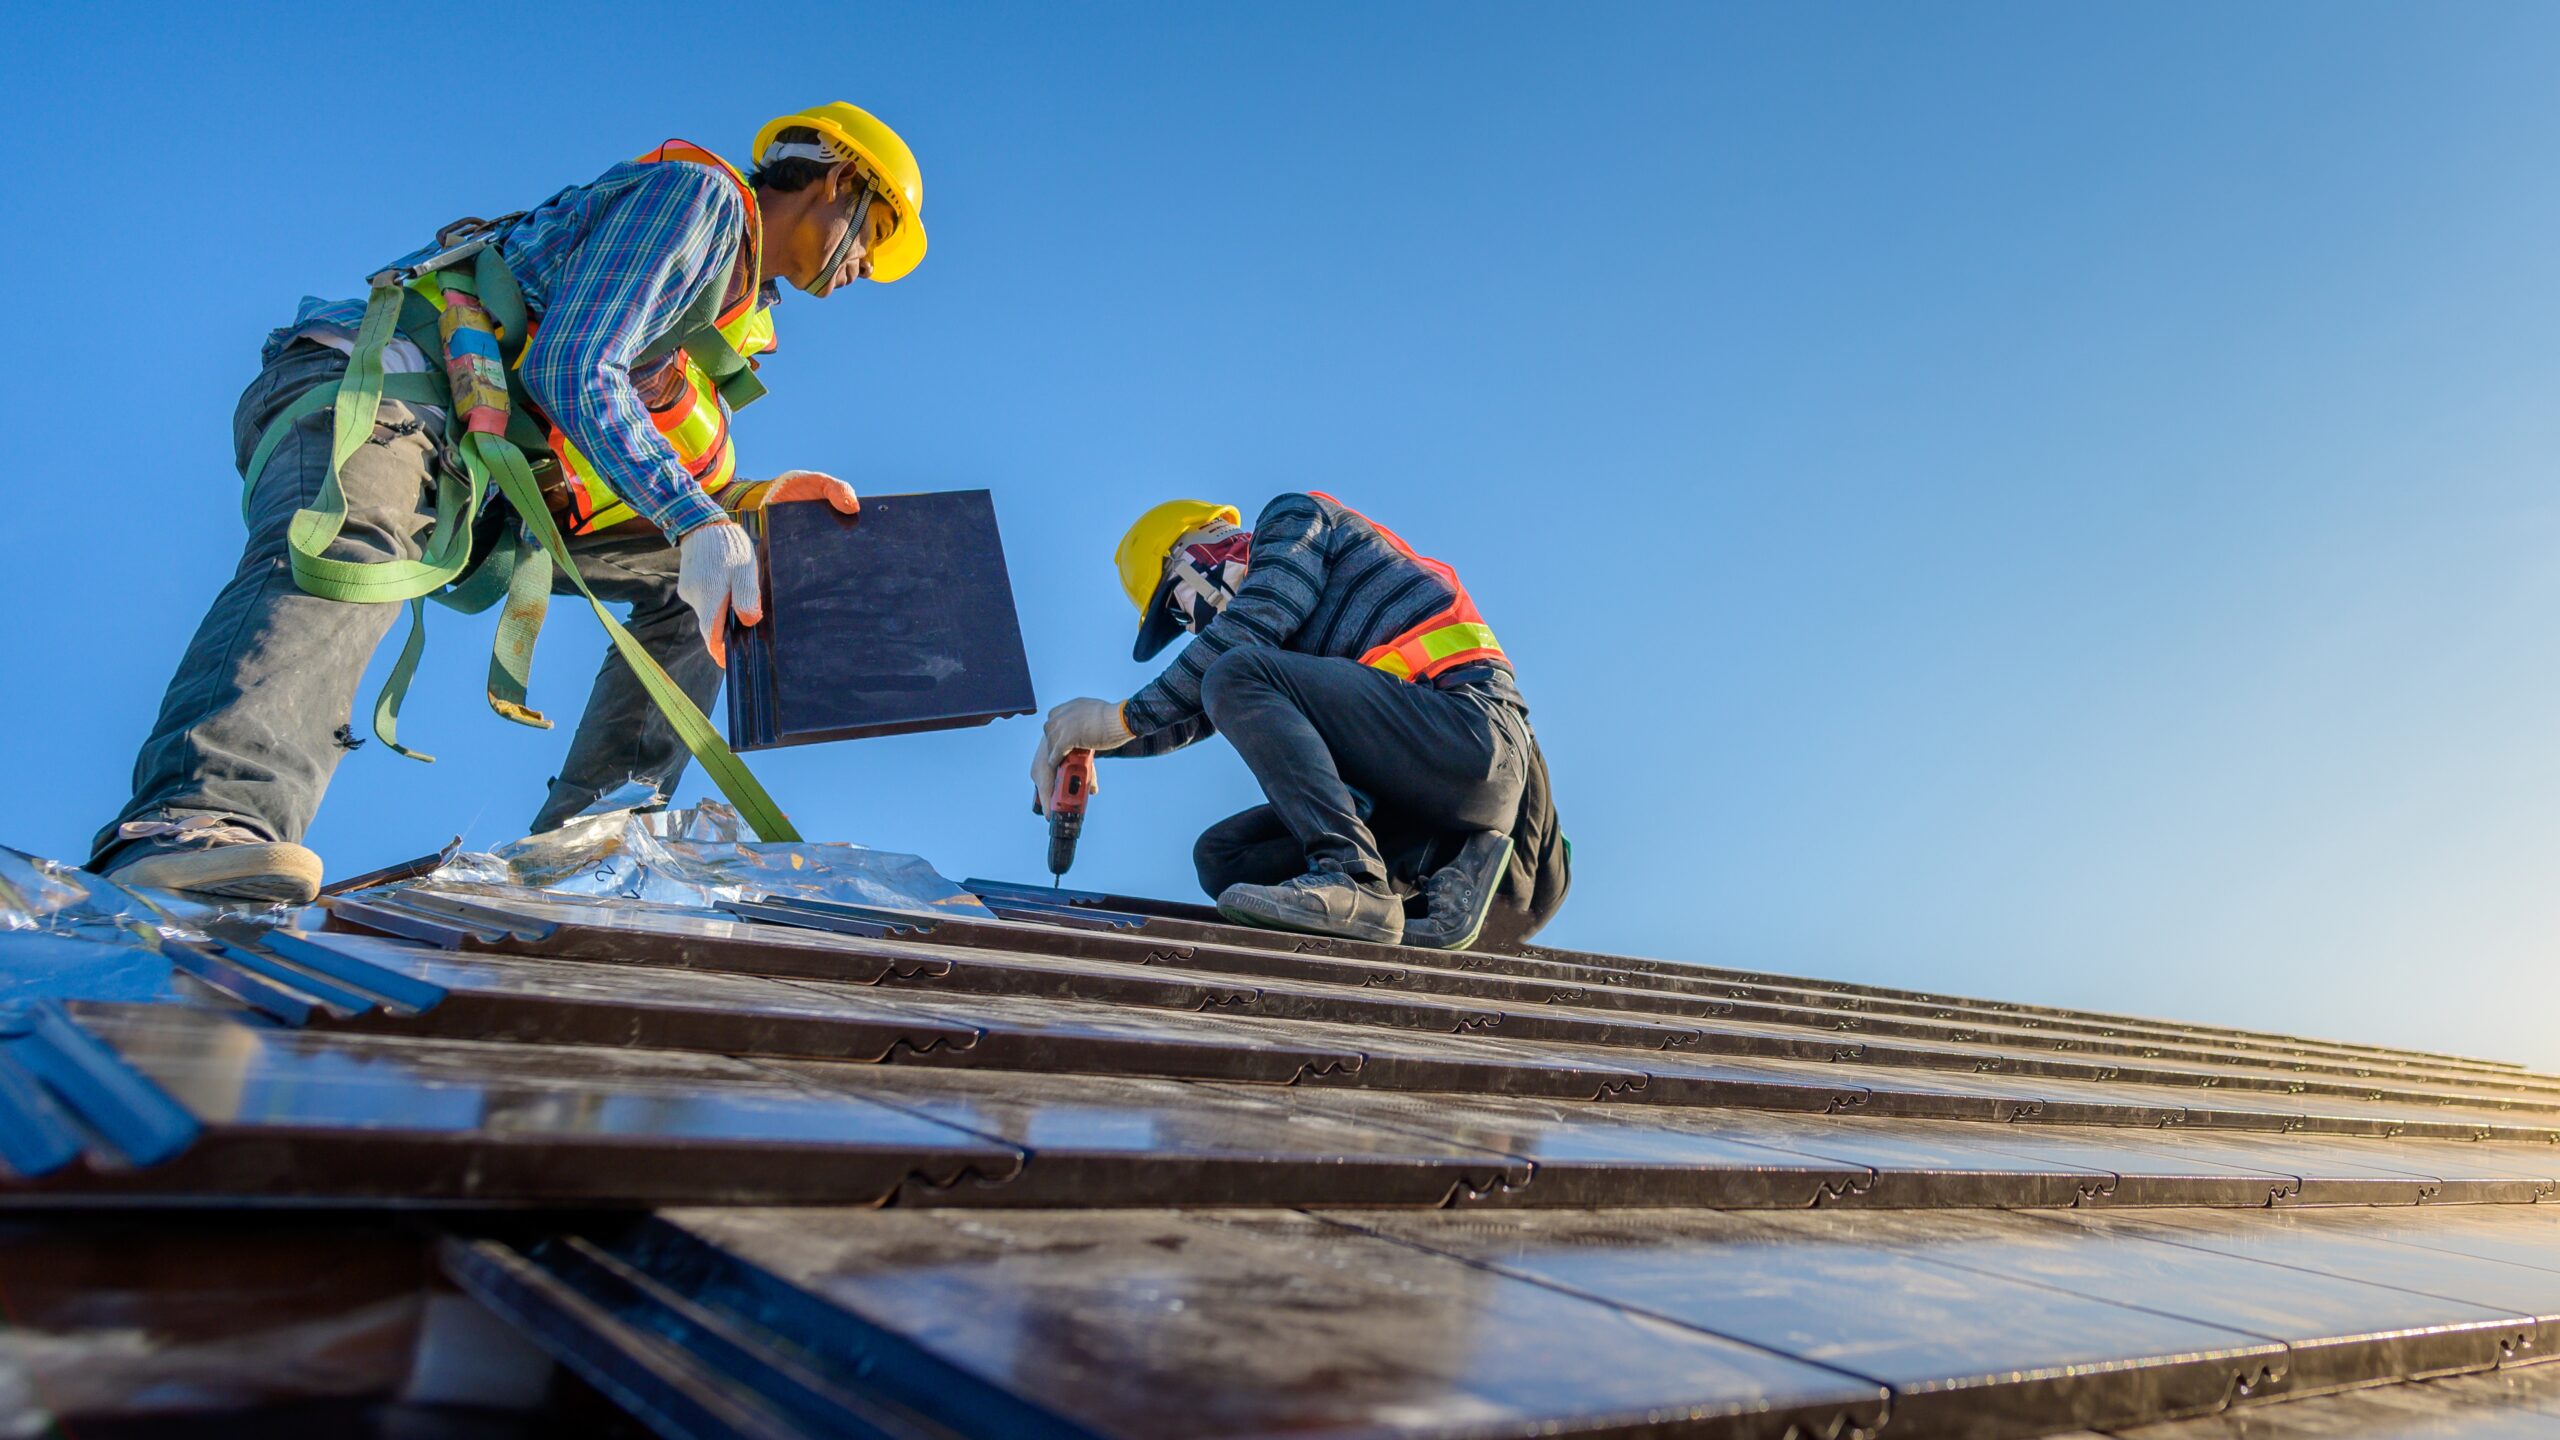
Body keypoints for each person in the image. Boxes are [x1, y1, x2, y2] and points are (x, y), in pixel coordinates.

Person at [91, 104, 929, 904]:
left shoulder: (723, 317)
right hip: (379, 387)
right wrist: (698, 516)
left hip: (471, 462)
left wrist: (747, 507)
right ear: (833, 181)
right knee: (356, 547)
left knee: (719, 582)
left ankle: (592, 849)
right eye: (877, 233)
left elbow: (627, 450)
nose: (866, 266)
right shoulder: (703, 202)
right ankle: (191, 822)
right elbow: (571, 366)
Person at [1031, 493, 1570, 949]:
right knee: (1224, 860)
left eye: (1178, 601)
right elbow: (1199, 708)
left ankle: (1354, 880)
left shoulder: (1293, 520)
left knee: (1232, 672)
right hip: (1423, 791)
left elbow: (1251, 630)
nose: (1192, 621)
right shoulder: (1271, 652)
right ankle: (1428, 865)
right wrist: (1095, 744)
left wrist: (1120, 717)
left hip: (1473, 740)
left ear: (1204, 545)